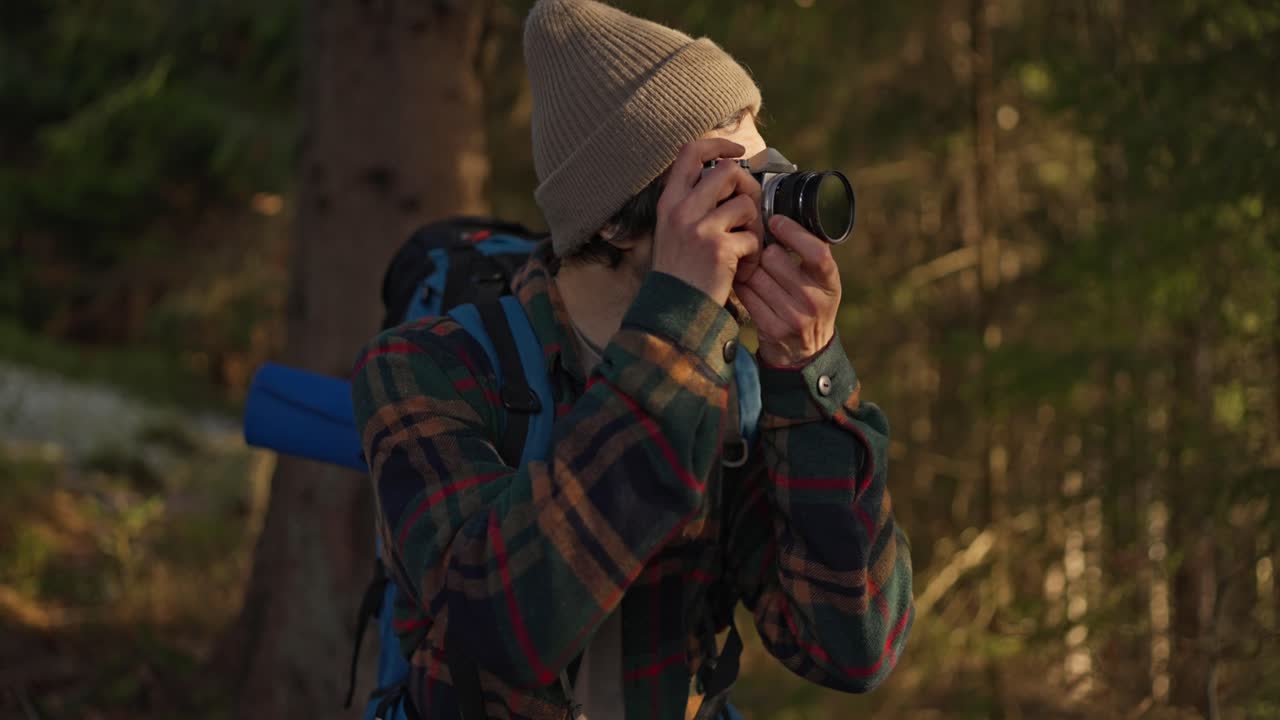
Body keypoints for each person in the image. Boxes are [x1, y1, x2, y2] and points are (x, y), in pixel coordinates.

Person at [350, 1, 914, 717]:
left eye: (765, 170)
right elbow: (503, 627)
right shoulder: (424, 369)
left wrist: (811, 376)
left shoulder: (731, 390)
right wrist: (676, 330)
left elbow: (851, 645)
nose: (758, 206)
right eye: (719, 179)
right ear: (615, 222)